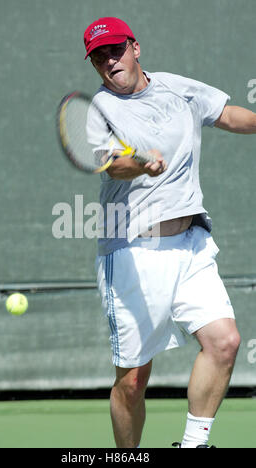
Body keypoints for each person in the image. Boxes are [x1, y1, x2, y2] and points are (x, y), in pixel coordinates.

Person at [83, 17, 256, 448]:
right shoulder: (99, 109)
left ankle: (193, 444)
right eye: (99, 55)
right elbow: (112, 164)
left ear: (135, 48)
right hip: (134, 253)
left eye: (115, 49)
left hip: (192, 243)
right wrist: (141, 163)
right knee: (134, 380)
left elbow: (226, 114)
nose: (109, 59)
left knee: (224, 342)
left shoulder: (180, 88)